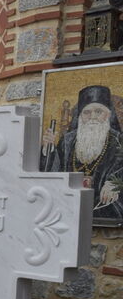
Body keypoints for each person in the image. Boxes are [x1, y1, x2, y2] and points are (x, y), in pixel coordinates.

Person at [42, 85, 123, 219]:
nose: (92, 117)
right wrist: (48, 150)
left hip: (103, 205)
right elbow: (53, 174)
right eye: (87, 112)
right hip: (69, 205)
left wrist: (115, 183)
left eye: (98, 112)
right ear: (80, 116)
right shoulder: (67, 141)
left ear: (108, 115)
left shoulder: (119, 141)